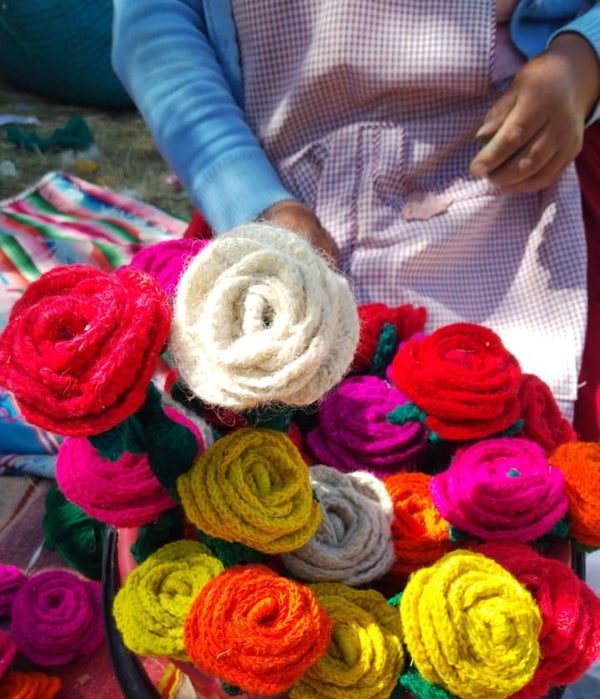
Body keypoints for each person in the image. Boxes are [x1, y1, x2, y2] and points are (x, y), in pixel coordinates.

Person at [111, 1, 600, 439]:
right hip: (263, 191)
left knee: (525, 472)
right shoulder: (255, 204)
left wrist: (583, 59)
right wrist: (250, 198)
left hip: (529, 183)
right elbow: (154, 26)